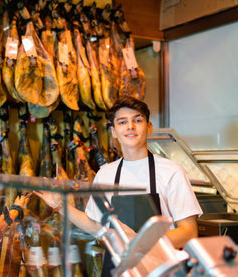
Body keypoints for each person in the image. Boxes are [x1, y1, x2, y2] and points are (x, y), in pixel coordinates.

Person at [36, 96, 203, 271]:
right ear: (114, 132)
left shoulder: (171, 171)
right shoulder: (106, 174)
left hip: (160, 269)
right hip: (117, 268)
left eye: (137, 120)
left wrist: (139, 245)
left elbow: (188, 232)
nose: (130, 126)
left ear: (149, 127)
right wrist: (60, 206)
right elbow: (97, 226)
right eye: (122, 122)